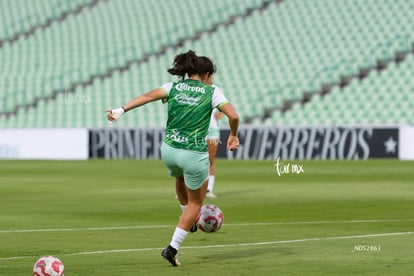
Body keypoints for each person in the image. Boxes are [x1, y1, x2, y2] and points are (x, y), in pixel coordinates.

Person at [106, 50, 240, 267]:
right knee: (196, 202)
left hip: (168, 150)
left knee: (179, 178)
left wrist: (121, 109)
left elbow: (148, 97)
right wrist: (233, 135)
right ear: (205, 74)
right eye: (211, 76)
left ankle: (186, 217)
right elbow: (233, 116)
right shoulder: (211, 91)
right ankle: (172, 247)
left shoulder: (173, 87)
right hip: (193, 153)